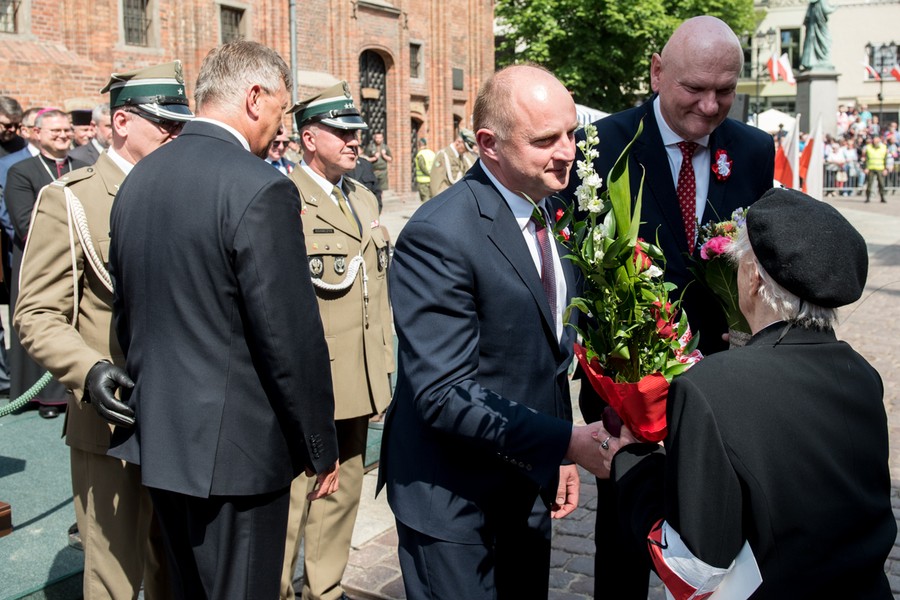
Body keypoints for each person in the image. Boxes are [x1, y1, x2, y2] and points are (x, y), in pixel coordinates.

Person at [99, 40, 340, 599]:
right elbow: (288, 336)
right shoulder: (259, 186)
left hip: (162, 440)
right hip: (239, 456)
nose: (279, 132)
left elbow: (129, 316)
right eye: (280, 112)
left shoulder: (137, 180)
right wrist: (318, 443)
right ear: (254, 98)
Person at [564, 15, 775, 599]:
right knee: (625, 541)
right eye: (694, 88)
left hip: (724, 385)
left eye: (725, 90)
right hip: (628, 388)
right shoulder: (601, 146)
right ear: (658, 73)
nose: (710, 106)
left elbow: (758, 256)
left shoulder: (754, 150)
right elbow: (579, 270)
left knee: (723, 537)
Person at [380, 64, 607, 599]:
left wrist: (553, 456)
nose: (568, 151)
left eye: (571, 133)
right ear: (490, 144)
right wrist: (567, 443)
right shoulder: (440, 235)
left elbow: (546, 354)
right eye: (545, 139)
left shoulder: (551, 209)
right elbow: (442, 392)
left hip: (526, 485)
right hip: (455, 502)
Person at [602, 188, 895, 599]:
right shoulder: (863, 374)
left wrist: (631, 465)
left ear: (753, 277)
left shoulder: (709, 386)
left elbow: (693, 570)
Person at [13, 60, 194, 599]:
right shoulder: (73, 199)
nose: (175, 134)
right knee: (113, 573)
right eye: (164, 123)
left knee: (174, 562)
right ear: (121, 122)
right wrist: (87, 368)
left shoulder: (185, 190)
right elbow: (36, 313)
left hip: (182, 414)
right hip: (112, 416)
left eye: (180, 123)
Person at [279, 81, 394, 600]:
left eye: (357, 132)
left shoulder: (362, 195)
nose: (355, 141)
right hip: (311, 381)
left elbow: (375, 286)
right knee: (294, 496)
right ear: (308, 137)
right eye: (342, 132)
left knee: (343, 490)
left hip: (359, 376)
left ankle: (323, 589)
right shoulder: (284, 199)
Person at [5, 108, 86, 418]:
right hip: (38, 261)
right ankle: (45, 399)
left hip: (79, 259)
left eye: (67, 131)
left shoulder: (84, 166)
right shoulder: (22, 172)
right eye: (56, 132)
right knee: (43, 321)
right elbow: (24, 221)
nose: (64, 136)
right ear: (37, 134)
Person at [428, 128, 476, 197]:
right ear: (458, 142)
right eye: (465, 148)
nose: (466, 151)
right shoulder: (443, 156)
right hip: (447, 199)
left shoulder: (461, 158)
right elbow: (436, 186)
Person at [864, 135, 888, 203]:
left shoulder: (884, 147)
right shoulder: (868, 147)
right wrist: (866, 168)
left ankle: (882, 197)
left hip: (880, 168)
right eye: (874, 140)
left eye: (877, 140)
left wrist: (885, 169)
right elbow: (866, 159)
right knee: (869, 184)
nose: (875, 142)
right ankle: (868, 197)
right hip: (871, 168)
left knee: (881, 184)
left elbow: (885, 159)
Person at [413, 137, 434, 202]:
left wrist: (428, 174)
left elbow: (422, 167)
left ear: (419, 145)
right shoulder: (432, 153)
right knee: (432, 198)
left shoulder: (420, 154)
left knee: (425, 200)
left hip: (423, 181)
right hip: (432, 180)